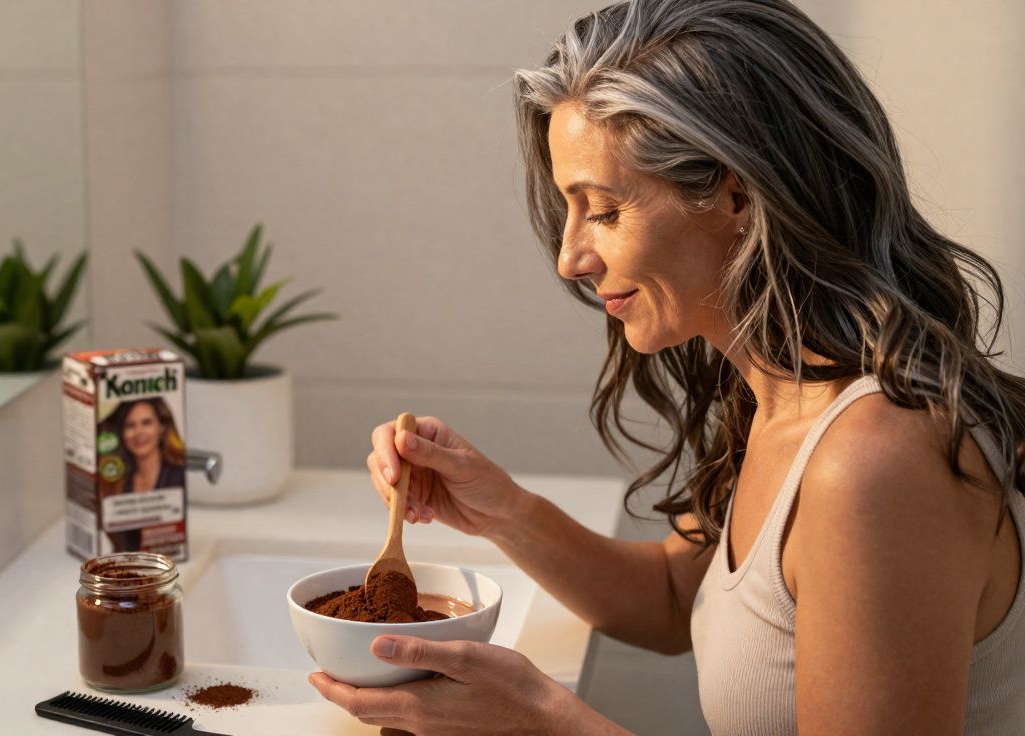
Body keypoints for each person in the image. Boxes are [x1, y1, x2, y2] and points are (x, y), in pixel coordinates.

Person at [308, 1, 1025, 733]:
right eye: (569, 209)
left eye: (606, 211)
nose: (571, 258)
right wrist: (498, 508)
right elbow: (681, 601)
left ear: (738, 195)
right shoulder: (781, 394)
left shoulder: (876, 463)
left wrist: (547, 725)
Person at [100, 398, 186, 551]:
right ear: (122, 434)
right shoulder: (118, 482)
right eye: (130, 426)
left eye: (146, 423)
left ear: (162, 428)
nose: (139, 433)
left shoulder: (178, 477)